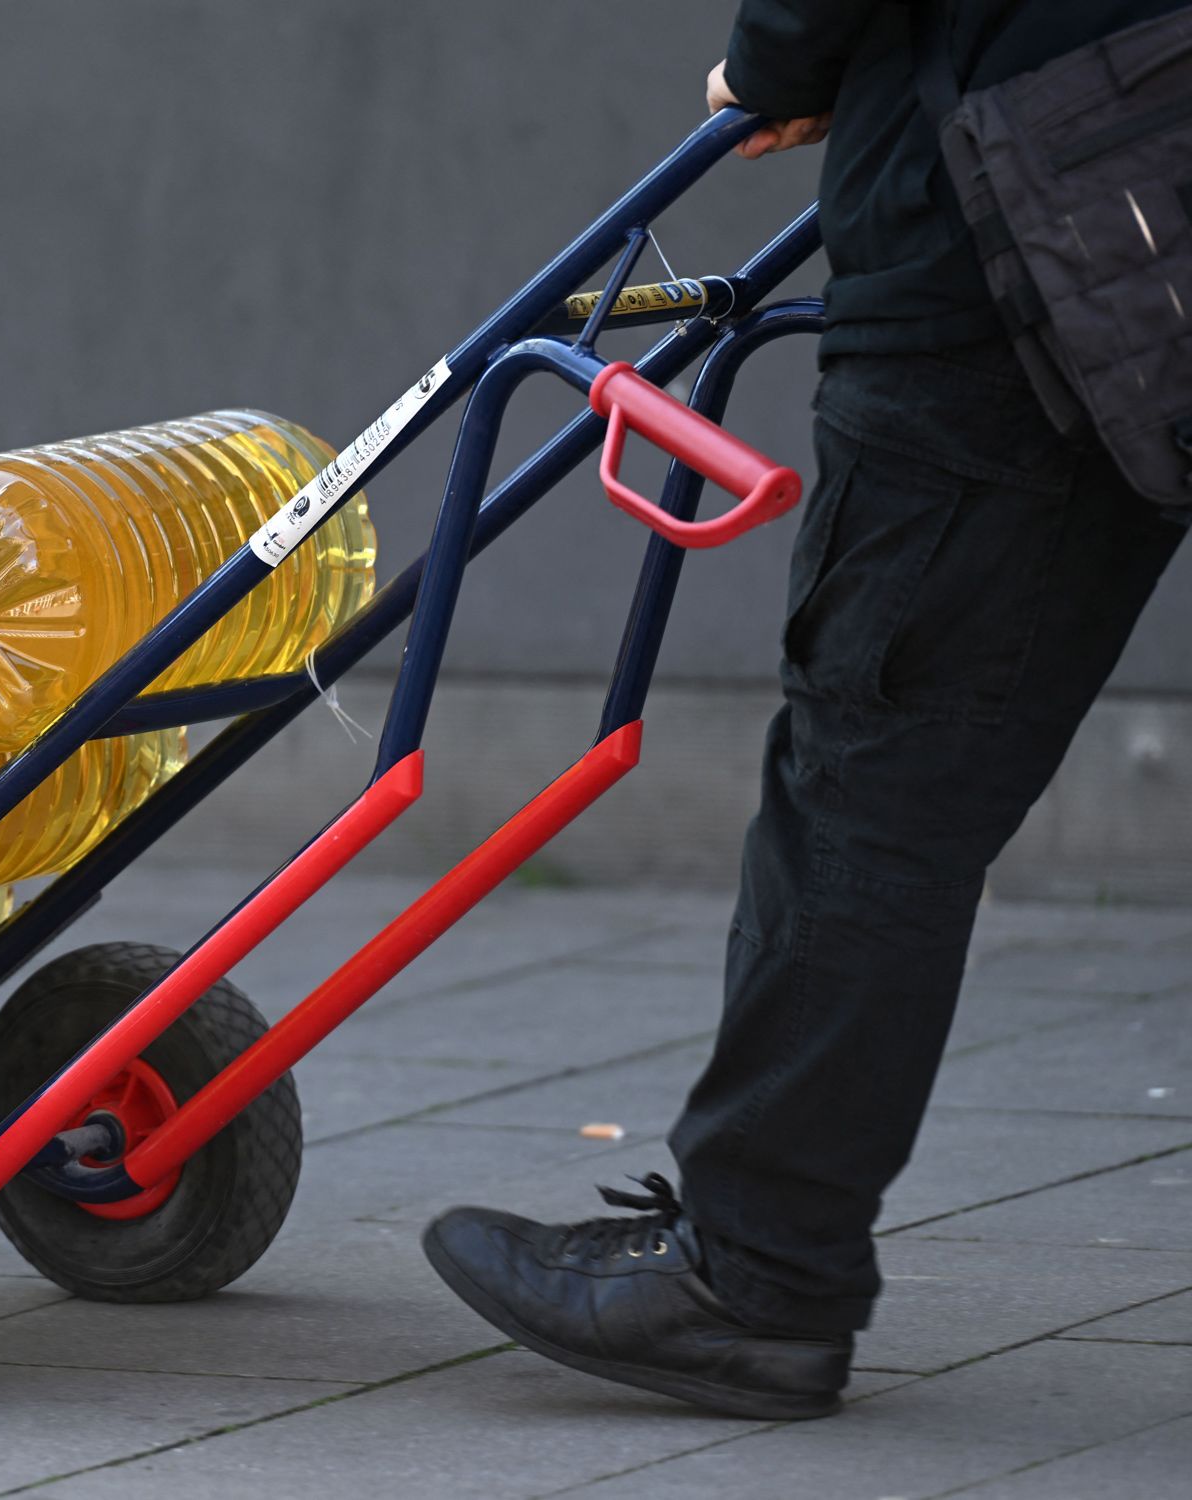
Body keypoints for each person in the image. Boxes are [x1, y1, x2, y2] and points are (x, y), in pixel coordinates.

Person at [422, 0, 1188, 1421]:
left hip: (1014, 238)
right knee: (909, 772)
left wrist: (787, 61)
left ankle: (756, 1280)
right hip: (1130, 194)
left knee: (877, 778)